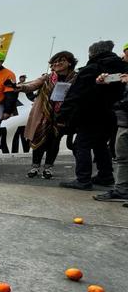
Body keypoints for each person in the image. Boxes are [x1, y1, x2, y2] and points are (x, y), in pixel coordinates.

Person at [57, 40, 128, 190]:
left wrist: (62, 116)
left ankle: (83, 179)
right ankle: (105, 175)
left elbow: (75, 94)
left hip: (91, 114)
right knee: (100, 144)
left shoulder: (91, 69)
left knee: (80, 145)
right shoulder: (122, 67)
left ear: (93, 53)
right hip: (113, 114)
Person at [15, 51, 78, 179]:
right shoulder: (47, 78)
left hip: (62, 115)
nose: (58, 63)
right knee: (38, 139)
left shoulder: (76, 78)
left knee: (54, 141)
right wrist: (19, 87)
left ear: (70, 62)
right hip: (44, 114)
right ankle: (35, 167)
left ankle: (48, 167)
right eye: (55, 62)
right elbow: (31, 85)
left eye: (61, 60)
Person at [93, 72, 128, 203]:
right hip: (123, 122)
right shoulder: (123, 70)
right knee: (122, 159)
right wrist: (103, 84)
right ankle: (121, 190)